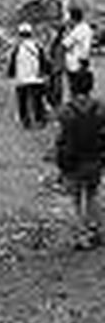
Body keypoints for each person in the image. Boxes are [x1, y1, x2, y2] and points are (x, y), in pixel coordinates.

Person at [56, 66, 105, 249]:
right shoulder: (101, 108)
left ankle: (81, 236)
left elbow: (61, 140)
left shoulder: (65, 111)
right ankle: (96, 231)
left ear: (71, 87)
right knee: (93, 195)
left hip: (73, 163)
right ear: (91, 86)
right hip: (95, 160)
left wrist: (60, 165)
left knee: (75, 200)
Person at [8, 22, 49, 129]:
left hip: (21, 80)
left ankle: (26, 123)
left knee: (22, 103)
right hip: (36, 79)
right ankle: (40, 121)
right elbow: (44, 62)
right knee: (38, 102)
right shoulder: (38, 46)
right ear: (31, 34)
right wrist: (44, 74)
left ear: (20, 34)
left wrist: (11, 75)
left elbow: (12, 65)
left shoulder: (17, 49)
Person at [64, 7, 94, 96]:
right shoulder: (86, 28)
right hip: (83, 63)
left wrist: (67, 31)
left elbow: (65, 44)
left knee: (76, 91)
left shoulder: (78, 30)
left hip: (75, 65)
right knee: (84, 91)